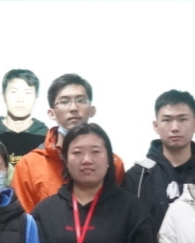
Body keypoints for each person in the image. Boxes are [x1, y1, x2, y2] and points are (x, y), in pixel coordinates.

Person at [12, 74, 126, 212]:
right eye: (64, 101)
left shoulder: (112, 163)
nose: (73, 108)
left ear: (92, 110)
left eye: (81, 100)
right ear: (51, 113)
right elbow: (24, 220)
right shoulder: (29, 166)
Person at [124, 88, 195, 234]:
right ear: (156, 126)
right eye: (166, 120)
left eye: (182, 119)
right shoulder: (137, 176)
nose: (175, 128)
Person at [0, 68, 47, 163]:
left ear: (36, 99)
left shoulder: (47, 137)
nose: (20, 99)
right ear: (3, 96)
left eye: (27, 93)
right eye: (13, 92)